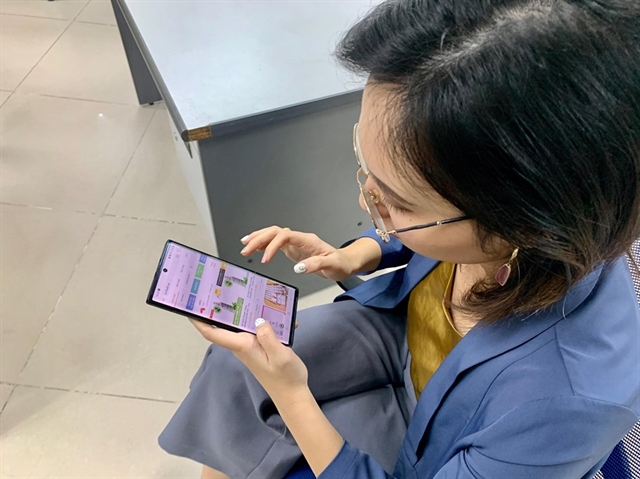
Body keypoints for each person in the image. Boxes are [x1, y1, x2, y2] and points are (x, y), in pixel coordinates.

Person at [158, 0, 640, 477]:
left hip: (435, 446)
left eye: (398, 204)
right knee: (235, 364)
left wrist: (290, 394)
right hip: (397, 336)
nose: (368, 198)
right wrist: (356, 255)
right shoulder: (497, 218)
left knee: (266, 382)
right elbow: (430, 229)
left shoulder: (566, 401)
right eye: (366, 166)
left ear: (522, 222)